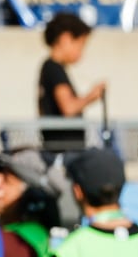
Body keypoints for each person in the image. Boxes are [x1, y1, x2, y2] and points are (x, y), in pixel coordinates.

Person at [37, 13, 105, 161]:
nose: (81, 52)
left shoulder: (51, 68)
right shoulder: (54, 69)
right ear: (65, 39)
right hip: (64, 154)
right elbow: (68, 108)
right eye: (81, 45)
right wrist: (91, 96)